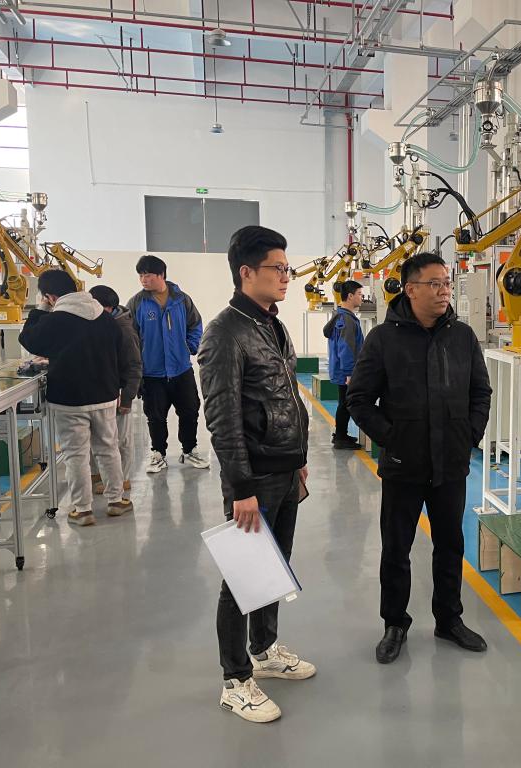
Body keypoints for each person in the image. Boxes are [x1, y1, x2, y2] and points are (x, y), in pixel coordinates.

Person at [347, 252, 492, 664]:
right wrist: (393, 439)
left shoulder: (462, 337)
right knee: (397, 548)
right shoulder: (383, 339)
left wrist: (469, 435)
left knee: (450, 544)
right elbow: (359, 399)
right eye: (435, 284)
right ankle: (395, 623)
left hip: (451, 465)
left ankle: (449, 619)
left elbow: (480, 392)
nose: (445, 291)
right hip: (403, 466)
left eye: (447, 283)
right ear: (410, 289)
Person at [198, 225, 315, 724]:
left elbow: (284, 396)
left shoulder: (272, 324)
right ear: (247, 272)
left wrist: (298, 455)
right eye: (278, 268)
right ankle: (235, 680)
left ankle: (264, 650)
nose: (286, 276)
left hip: (285, 469)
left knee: (275, 567)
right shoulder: (224, 334)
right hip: (255, 480)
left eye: (288, 268)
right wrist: (241, 487)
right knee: (243, 577)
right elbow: (222, 418)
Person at [19, 270, 132, 527]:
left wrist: (40, 311)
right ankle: (116, 501)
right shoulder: (106, 319)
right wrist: (119, 387)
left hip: (68, 399)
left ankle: (83, 510)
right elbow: (121, 356)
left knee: (76, 454)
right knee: (108, 449)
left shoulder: (55, 320)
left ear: (50, 296)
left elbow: (29, 340)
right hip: (104, 396)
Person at [126, 255, 209, 474]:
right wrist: (137, 363)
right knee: (155, 416)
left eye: (148, 275)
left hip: (181, 369)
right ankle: (158, 454)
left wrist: (190, 346)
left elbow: (196, 325)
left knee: (190, 411)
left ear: (161, 275)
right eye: (140, 276)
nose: (143, 280)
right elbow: (129, 336)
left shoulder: (181, 300)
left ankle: (189, 450)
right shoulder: (137, 303)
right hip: (152, 373)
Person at [89, 285, 142, 499]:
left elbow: (135, 366)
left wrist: (127, 398)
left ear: (108, 308)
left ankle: (122, 478)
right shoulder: (103, 323)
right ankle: (104, 476)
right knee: (104, 438)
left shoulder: (123, 330)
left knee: (121, 439)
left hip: (120, 391)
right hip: (104, 389)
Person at [323, 279, 365, 450]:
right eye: (359, 294)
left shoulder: (343, 316)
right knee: (345, 403)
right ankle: (340, 437)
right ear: (350, 296)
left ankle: (341, 434)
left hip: (343, 369)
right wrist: (349, 373)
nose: (362, 298)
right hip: (345, 371)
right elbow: (345, 348)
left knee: (344, 402)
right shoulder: (346, 320)